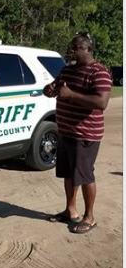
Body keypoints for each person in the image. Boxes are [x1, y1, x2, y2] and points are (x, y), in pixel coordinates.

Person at [43, 32, 112, 233]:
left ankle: (89, 217)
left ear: (88, 50)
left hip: (85, 134)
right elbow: (56, 87)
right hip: (66, 131)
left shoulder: (98, 72)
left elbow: (102, 102)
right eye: (71, 47)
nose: (72, 50)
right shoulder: (67, 70)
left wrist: (71, 95)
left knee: (84, 175)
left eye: (76, 47)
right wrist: (49, 89)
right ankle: (70, 211)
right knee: (68, 173)